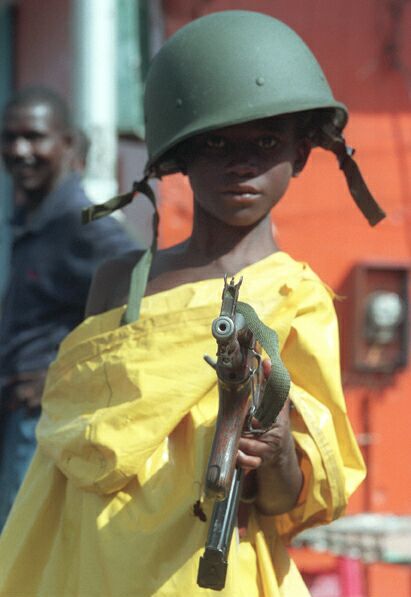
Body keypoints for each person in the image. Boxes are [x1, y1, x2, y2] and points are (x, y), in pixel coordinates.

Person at [0, 12, 385, 597]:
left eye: (266, 142)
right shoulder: (119, 284)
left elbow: (286, 501)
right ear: (177, 155)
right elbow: (63, 470)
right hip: (92, 572)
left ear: (301, 153)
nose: (241, 163)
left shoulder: (295, 299)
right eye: (216, 143)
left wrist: (277, 451)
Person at [0, 86, 139, 531]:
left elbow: (145, 295)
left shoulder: (83, 225)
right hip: (19, 417)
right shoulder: (34, 218)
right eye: (10, 137)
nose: (19, 150)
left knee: (21, 545)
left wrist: (63, 376)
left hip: (43, 423)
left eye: (34, 137)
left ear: (68, 144)